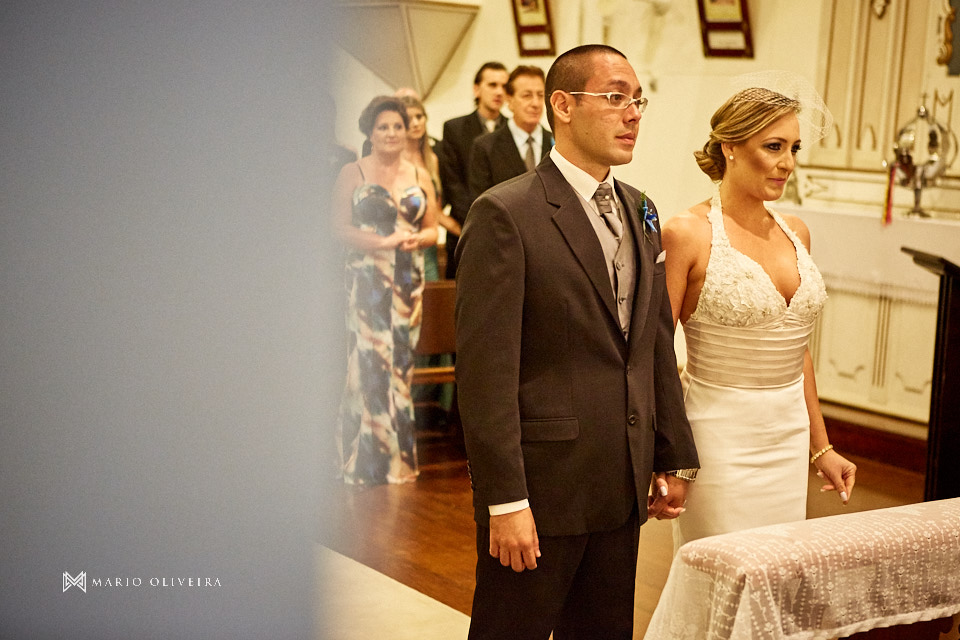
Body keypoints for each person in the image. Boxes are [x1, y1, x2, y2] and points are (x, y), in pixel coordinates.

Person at [455, 44, 699, 640]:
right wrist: (504, 500)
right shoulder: (506, 213)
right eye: (615, 97)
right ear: (562, 105)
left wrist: (672, 451)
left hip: (620, 479)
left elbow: (652, 342)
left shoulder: (642, 209)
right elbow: (486, 374)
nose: (633, 113)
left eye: (638, 99)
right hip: (542, 487)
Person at [661, 72, 858, 549]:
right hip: (716, 437)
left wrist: (821, 446)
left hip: (787, 436)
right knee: (725, 576)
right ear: (729, 146)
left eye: (794, 149)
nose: (787, 163)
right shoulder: (687, 232)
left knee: (776, 576)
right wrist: (672, 459)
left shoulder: (797, 232)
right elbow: (655, 355)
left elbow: (797, 348)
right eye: (773, 146)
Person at [331, 95, 440, 485]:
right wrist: (379, 242)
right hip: (366, 279)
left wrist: (416, 239)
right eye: (384, 127)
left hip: (407, 281)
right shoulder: (352, 172)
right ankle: (361, 461)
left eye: (397, 126)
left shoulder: (419, 172)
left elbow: (432, 227)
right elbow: (338, 228)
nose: (392, 133)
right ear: (370, 132)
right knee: (366, 365)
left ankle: (399, 461)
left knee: (399, 367)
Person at [439, 61, 508, 278]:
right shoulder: (455, 129)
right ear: (476, 89)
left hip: (505, 230)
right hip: (465, 226)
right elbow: (453, 182)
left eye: (505, 86)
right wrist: (477, 221)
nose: (499, 92)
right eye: (492, 84)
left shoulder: (511, 130)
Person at [468, 64, 554, 200]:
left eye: (540, 95)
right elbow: (481, 202)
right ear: (509, 99)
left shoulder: (556, 142)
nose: (535, 103)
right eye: (527, 96)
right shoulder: (485, 146)